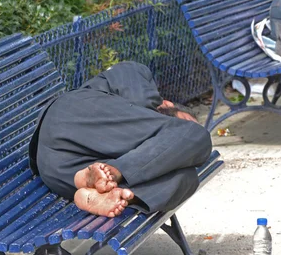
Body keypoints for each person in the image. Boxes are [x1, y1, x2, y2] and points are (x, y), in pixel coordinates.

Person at [28, 61, 212, 218]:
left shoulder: (120, 156)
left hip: (56, 169)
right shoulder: (135, 71)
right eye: (182, 122)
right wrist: (122, 168)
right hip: (71, 116)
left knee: (186, 177)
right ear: (167, 104)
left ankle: (104, 192)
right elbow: (143, 101)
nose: (178, 149)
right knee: (197, 135)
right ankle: (115, 172)